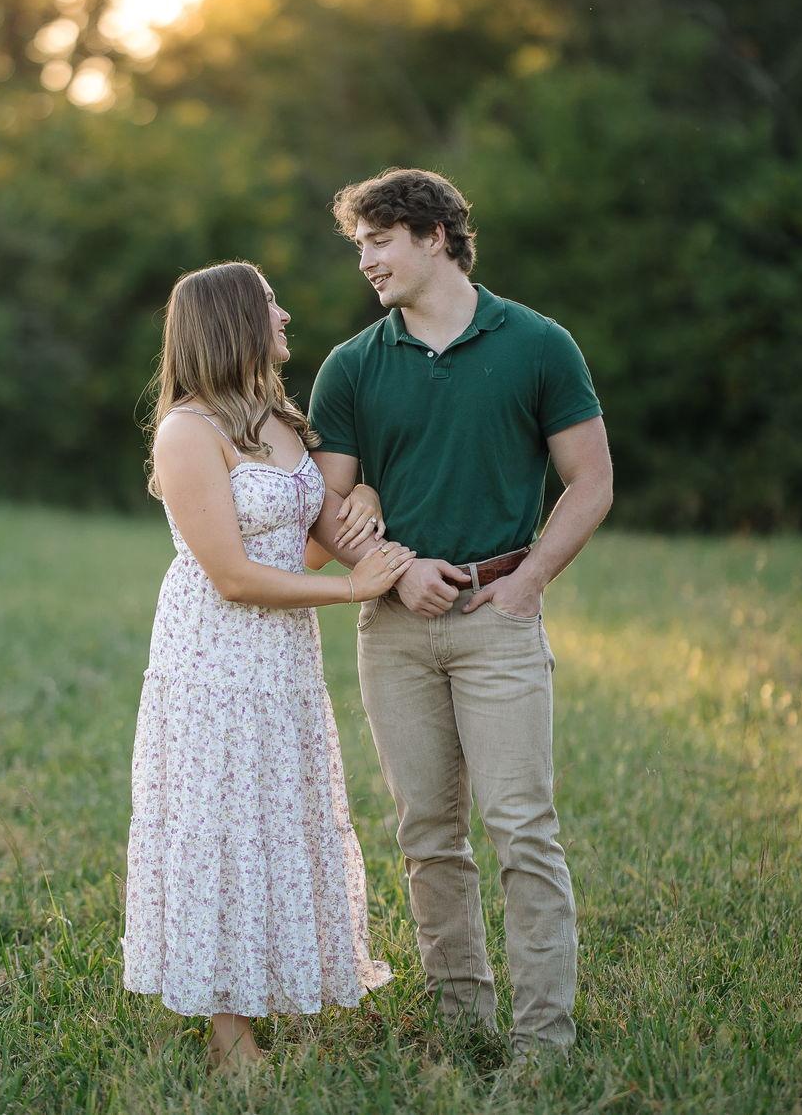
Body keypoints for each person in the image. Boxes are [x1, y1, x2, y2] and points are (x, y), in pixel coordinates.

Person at [306, 168, 614, 1063]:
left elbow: (590, 481)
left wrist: (526, 587)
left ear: (435, 235)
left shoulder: (537, 344)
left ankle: (543, 1043)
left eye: (378, 239)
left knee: (521, 826)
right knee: (429, 835)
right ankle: (461, 1026)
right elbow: (324, 507)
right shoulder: (353, 364)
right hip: (394, 632)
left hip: (499, 619)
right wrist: (388, 569)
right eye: (360, 244)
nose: (365, 260)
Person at [122, 260, 415, 1072]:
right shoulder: (187, 432)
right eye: (270, 304)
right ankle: (229, 1037)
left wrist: (363, 509)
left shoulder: (279, 420)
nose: (285, 314)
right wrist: (359, 587)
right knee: (220, 826)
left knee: (273, 818)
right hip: (212, 661)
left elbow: (301, 547)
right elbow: (233, 574)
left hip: (281, 660)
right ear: (236, 323)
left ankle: (266, 984)